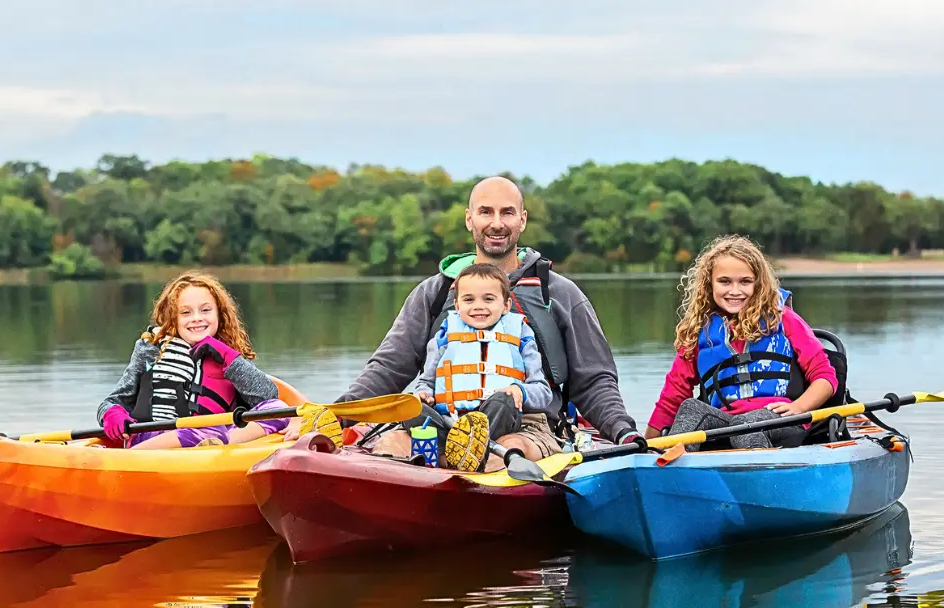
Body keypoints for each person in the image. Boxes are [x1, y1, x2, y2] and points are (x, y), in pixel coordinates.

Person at [288, 176, 640, 472]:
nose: (497, 223)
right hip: (442, 420)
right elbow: (388, 369)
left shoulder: (560, 294)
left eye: (507, 212)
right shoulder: (436, 291)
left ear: (523, 220)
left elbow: (594, 382)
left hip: (529, 426)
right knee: (392, 442)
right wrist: (337, 414)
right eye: (486, 212)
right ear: (470, 219)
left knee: (499, 454)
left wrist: (623, 432)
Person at [645, 234, 838, 450]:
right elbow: (672, 399)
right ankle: (667, 470)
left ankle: (759, 478)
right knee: (691, 408)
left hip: (781, 419)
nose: (735, 291)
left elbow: (826, 377)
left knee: (746, 424)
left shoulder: (784, 319)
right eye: (724, 281)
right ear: (709, 285)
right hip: (726, 423)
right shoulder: (698, 333)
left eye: (745, 281)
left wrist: (800, 407)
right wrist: (644, 449)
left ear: (759, 284)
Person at [96, 272, 291, 449]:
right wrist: (111, 413)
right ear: (173, 318)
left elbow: (268, 395)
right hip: (152, 439)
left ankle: (217, 443)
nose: (197, 318)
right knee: (205, 431)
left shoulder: (229, 355)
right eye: (186, 313)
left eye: (205, 310)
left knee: (277, 409)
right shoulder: (150, 349)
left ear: (219, 315)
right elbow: (112, 401)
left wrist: (227, 357)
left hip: (210, 440)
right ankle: (136, 456)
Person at [405, 262, 553, 471]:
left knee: (504, 400)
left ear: (506, 305)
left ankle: (470, 452)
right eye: (468, 299)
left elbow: (543, 392)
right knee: (412, 408)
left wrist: (520, 391)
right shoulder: (445, 336)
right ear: (457, 306)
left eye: (489, 299)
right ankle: (457, 451)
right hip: (450, 422)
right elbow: (427, 381)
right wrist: (422, 394)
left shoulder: (521, 334)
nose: (478, 306)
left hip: (496, 420)